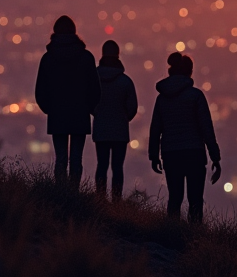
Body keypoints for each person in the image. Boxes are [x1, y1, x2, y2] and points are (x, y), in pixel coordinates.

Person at [148, 52, 222, 224]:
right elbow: (206, 128)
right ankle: (194, 236)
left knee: (175, 198)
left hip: (170, 153)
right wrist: (215, 157)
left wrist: (154, 155)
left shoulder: (162, 98)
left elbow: (155, 129)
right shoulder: (196, 96)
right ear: (190, 72)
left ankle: (171, 233)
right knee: (195, 200)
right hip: (194, 152)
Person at [34, 15, 100, 187]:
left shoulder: (48, 58)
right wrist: (89, 108)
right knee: (76, 158)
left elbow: (40, 91)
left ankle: (61, 193)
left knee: (61, 158)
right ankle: (74, 193)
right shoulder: (86, 57)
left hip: (57, 114)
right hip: (80, 113)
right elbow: (95, 89)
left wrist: (50, 109)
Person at [90, 40, 138, 200]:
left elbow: (89, 102)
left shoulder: (94, 79)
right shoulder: (126, 81)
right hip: (120, 130)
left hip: (101, 128)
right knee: (117, 168)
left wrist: (98, 114)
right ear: (118, 55)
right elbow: (132, 108)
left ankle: (100, 199)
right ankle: (116, 201)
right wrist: (123, 118)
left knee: (101, 165)